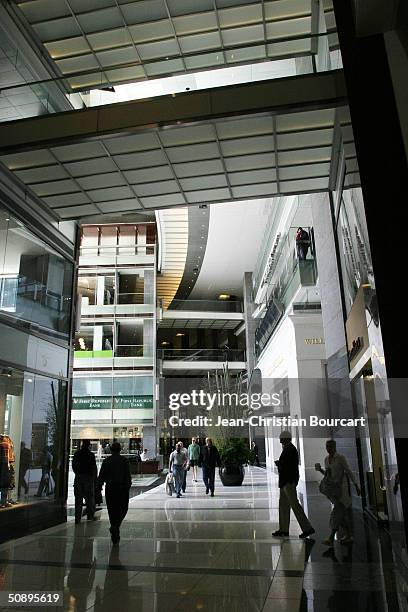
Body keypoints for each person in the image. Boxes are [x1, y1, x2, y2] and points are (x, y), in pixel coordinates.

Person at [316, 439, 361, 546]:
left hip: (342, 490)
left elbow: (348, 471)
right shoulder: (326, 459)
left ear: (335, 447)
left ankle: (331, 538)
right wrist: (320, 470)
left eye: (330, 446)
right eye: (327, 446)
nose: (328, 448)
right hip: (333, 491)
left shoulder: (340, 458)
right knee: (340, 515)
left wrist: (356, 485)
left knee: (336, 513)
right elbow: (327, 475)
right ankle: (349, 535)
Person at [272, 431, 315, 539]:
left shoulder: (289, 449)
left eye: (281, 437)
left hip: (288, 481)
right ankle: (284, 529)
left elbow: (288, 466)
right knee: (283, 505)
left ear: (286, 438)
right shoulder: (288, 449)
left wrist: (279, 464)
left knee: (294, 505)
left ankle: (307, 528)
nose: (280, 439)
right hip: (285, 481)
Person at [97, 442, 132, 545]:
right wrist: (127, 487)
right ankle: (115, 527)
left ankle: (114, 526)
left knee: (111, 510)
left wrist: (99, 487)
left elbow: (101, 475)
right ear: (120, 449)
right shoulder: (124, 461)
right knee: (123, 508)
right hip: (121, 488)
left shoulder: (107, 461)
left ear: (111, 450)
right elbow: (127, 475)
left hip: (110, 488)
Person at [72, 439, 97, 524]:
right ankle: (90, 516)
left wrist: (78, 473)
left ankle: (77, 518)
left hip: (79, 477)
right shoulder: (90, 455)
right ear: (88, 445)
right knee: (89, 498)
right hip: (88, 478)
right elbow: (93, 467)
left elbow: (74, 466)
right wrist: (94, 478)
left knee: (78, 499)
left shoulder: (77, 454)